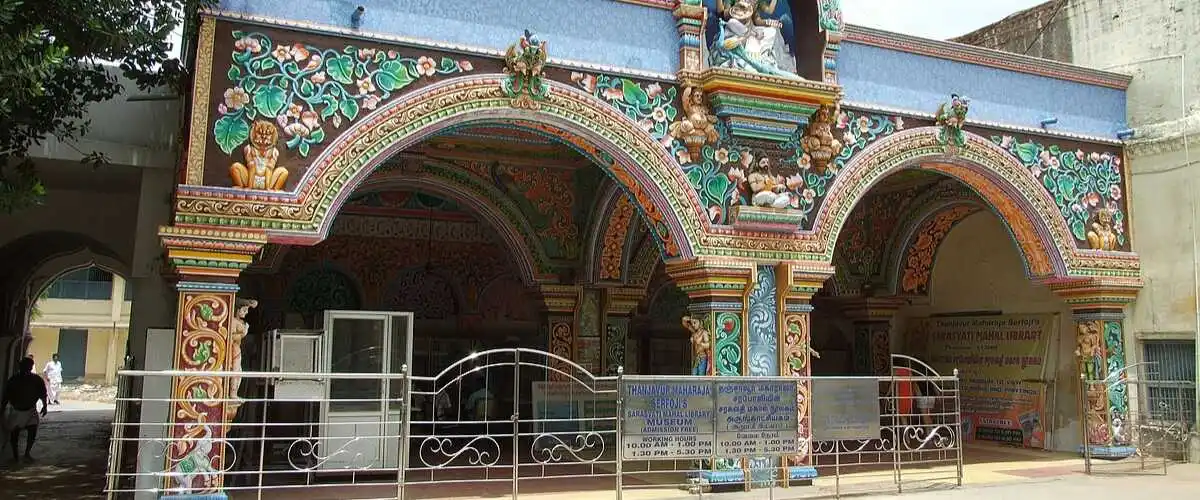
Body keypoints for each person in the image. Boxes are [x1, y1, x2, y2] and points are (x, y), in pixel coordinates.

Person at [2, 357, 49, 462]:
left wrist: (45, 406)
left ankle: (27, 453)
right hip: (16, 410)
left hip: (30, 410)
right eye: (24, 366)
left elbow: (43, 393)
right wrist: (2, 409)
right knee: (14, 435)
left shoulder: (36, 379)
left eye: (28, 366)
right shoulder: (14, 379)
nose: (26, 368)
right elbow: (6, 395)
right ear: (20, 367)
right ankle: (15, 456)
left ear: (31, 367)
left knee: (32, 431)